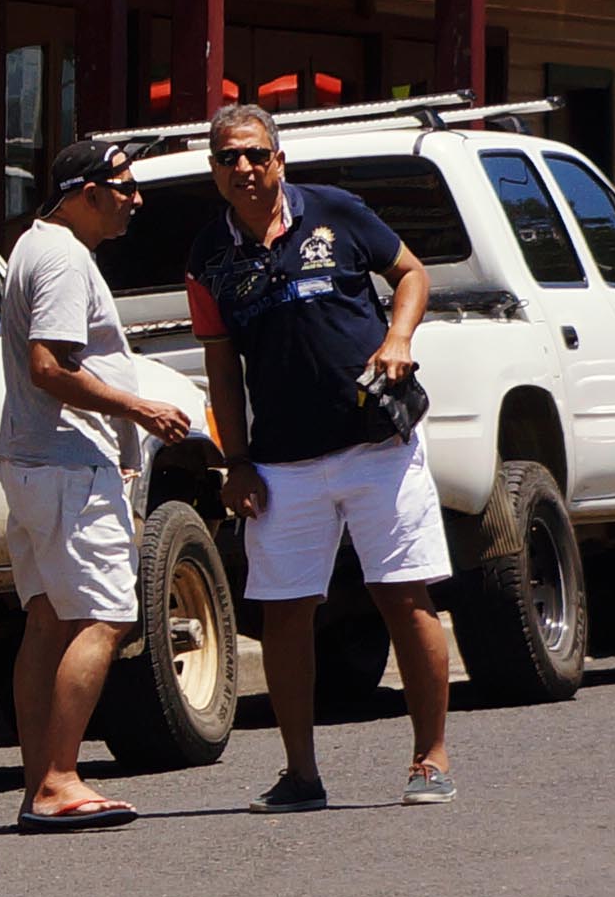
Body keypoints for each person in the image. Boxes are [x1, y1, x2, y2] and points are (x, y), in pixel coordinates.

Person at [186, 103, 457, 808]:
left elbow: (412, 274)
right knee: (284, 612)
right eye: (228, 158)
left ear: (279, 159)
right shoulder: (207, 257)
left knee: (402, 594)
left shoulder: (336, 212)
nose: (243, 168)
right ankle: (301, 774)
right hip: (283, 462)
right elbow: (221, 367)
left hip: (377, 445)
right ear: (214, 170)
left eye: (255, 154)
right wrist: (235, 462)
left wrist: (398, 338)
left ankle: (430, 758)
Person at [0, 137, 210, 829]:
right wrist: (138, 408)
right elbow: (49, 366)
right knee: (107, 617)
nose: (136, 199)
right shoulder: (63, 257)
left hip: (38, 463)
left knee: (50, 621)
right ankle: (60, 779)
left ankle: (41, 786)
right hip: (68, 465)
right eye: (125, 187)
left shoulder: (37, 246)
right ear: (86, 193)